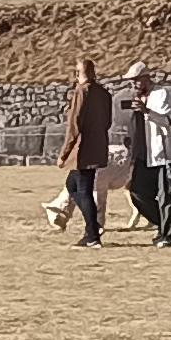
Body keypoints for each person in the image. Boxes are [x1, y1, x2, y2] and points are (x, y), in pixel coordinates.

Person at [123, 62, 171, 245]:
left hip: (164, 154)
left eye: (136, 80)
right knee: (137, 192)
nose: (133, 84)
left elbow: (166, 120)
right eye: (131, 81)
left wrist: (146, 111)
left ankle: (169, 236)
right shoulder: (138, 97)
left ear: (145, 78)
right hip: (144, 155)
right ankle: (162, 223)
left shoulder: (161, 94)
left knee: (168, 196)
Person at [58, 54, 113, 247]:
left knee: (82, 189)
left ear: (77, 73)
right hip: (98, 146)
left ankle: (92, 232)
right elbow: (107, 122)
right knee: (74, 186)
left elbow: (74, 125)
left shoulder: (82, 92)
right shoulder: (104, 93)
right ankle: (92, 229)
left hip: (82, 149)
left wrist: (65, 152)